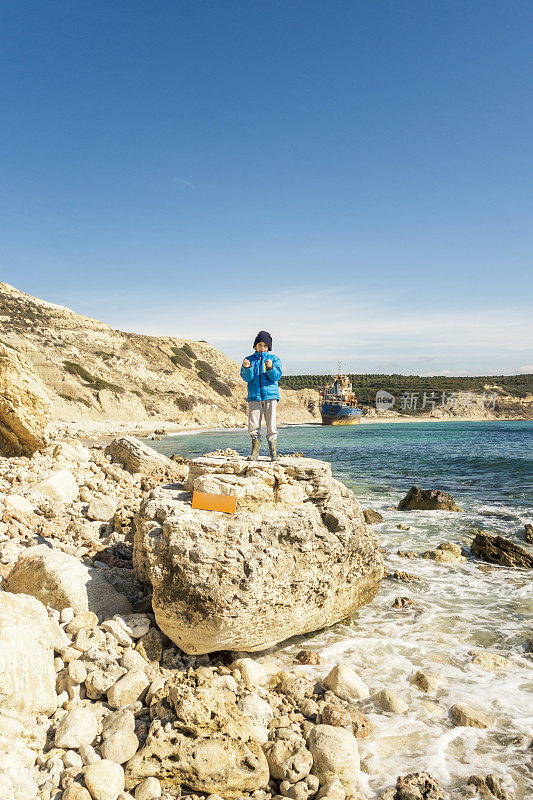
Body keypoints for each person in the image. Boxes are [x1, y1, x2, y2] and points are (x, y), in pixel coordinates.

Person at [240, 330, 282, 461]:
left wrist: (270, 368)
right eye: (259, 345)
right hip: (254, 396)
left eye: (265, 345)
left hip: (270, 396)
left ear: (269, 347)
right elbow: (247, 378)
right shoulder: (249, 360)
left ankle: (273, 455)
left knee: (271, 425)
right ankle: (254, 454)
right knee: (253, 426)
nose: (262, 348)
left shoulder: (274, 359)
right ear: (255, 346)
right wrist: (247, 368)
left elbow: (276, 376)